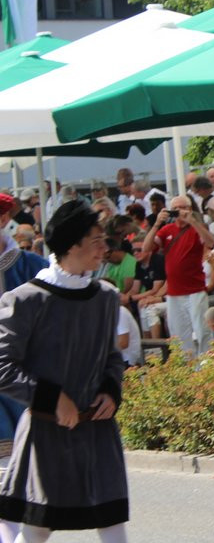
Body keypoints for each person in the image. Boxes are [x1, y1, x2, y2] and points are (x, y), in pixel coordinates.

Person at [0, 200, 128, 541]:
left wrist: (111, 391)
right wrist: (52, 399)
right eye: (97, 239)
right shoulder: (26, 300)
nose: (105, 247)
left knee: (112, 521)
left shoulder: (105, 297)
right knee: (37, 527)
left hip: (98, 430)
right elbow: (3, 367)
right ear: (72, 245)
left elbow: (112, 358)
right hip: (46, 433)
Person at [144, 196, 214, 358]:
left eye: (183, 207)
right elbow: (146, 247)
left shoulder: (196, 228)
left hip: (195, 290)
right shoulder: (167, 230)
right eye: (176, 208)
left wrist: (193, 222)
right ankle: (187, 365)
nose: (179, 211)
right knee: (179, 333)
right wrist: (157, 223)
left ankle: (206, 364)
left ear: (190, 209)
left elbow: (211, 243)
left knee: (202, 329)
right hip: (174, 292)